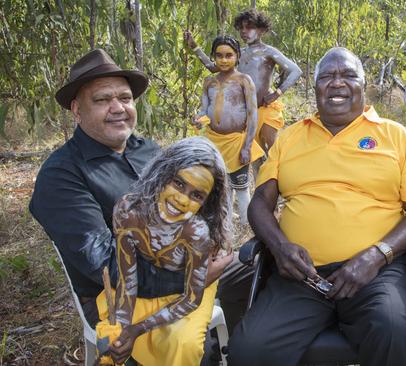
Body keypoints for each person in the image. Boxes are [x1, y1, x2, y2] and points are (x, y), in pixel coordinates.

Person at [29, 49, 250, 361]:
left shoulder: (148, 150)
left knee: (257, 265)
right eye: (103, 100)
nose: (118, 108)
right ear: (77, 111)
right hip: (122, 294)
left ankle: (240, 347)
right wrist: (193, 275)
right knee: (181, 342)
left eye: (125, 98)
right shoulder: (62, 175)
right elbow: (104, 265)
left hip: (186, 263)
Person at [227, 47, 406, 366]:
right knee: (249, 350)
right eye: (327, 76)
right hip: (302, 275)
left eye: (348, 75)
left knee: (391, 329)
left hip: (376, 272)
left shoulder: (396, 137)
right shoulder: (290, 138)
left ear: (365, 86)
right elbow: (259, 204)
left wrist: (378, 255)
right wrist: (280, 248)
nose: (337, 83)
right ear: (315, 88)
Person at [94, 137, 233, 364]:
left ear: (206, 202)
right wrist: (123, 326)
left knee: (183, 344)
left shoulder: (196, 232)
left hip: (190, 289)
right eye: (178, 183)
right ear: (162, 174)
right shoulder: (128, 211)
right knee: (112, 336)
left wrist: (137, 329)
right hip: (144, 284)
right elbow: (127, 277)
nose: (181, 200)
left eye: (196, 195)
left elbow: (191, 298)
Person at [185, 8, 302, 153]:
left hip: (265, 109)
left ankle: (279, 174)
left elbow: (296, 71)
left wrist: (277, 93)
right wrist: (195, 47)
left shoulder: (268, 52)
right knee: (253, 154)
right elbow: (212, 67)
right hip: (245, 114)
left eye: (250, 27)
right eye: (241, 28)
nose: (244, 31)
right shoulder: (238, 54)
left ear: (262, 30)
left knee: (271, 149)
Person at [190, 35, 264, 225]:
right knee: (221, 185)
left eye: (229, 55)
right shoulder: (209, 82)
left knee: (240, 185)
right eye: (219, 55)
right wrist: (199, 119)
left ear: (237, 56)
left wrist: (247, 146)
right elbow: (205, 109)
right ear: (213, 57)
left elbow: (252, 115)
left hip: (237, 142)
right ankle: (226, 221)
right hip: (215, 141)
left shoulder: (244, 80)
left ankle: (248, 223)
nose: (223, 60)